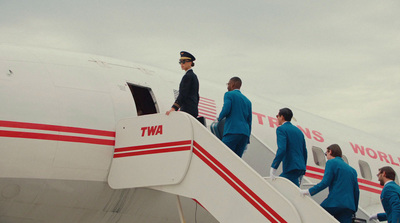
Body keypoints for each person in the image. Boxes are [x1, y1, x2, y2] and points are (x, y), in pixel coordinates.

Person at [300, 144, 359, 223]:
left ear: (330, 151)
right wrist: (354, 208)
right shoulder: (352, 170)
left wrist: (309, 191)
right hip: (349, 206)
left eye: (326, 154)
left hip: (334, 202)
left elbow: (325, 182)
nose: (326, 156)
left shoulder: (331, 162)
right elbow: (356, 191)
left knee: (316, 215)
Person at [270, 108, 307, 187]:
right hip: (300, 168)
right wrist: (303, 169)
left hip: (291, 167)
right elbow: (305, 152)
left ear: (282, 117)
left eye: (277, 116)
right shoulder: (299, 131)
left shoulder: (281, 129)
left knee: (275, 187)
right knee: (294, 191)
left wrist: (274, 167)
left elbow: (282, 149)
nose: (277, 118)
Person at [217, 77, 252, 157]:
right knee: (237, 160)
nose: (227, 86)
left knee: (224, 156)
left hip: (232, 131)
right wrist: (247, 139)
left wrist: (219, 118)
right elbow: (249, 121)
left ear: (232, 84)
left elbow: (226, 109)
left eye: (228, 84)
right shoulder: (248, 101)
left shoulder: (229, 94)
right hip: (244, 134)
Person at [166, 51, 199, 118]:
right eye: (180, 62)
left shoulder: (188, 76)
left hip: (187, 110)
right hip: (193, 110)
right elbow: (197, 96)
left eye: (184, 61)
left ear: (190, 62)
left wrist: (174, 108)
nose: (182, 64)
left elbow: (183, 94)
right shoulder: (194, 76)